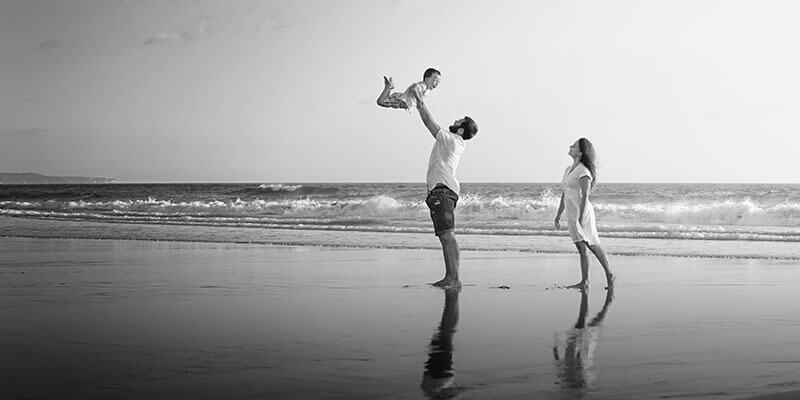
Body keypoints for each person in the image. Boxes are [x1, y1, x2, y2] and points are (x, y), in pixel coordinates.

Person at [414, 92, 478, 288]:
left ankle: (454, 278)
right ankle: (450, 276)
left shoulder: (451, 140)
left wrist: (419, 101)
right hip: (441, 191)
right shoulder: (453, 141)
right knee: (445, 237)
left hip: (443, 192)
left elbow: (428, 121)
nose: (455, 120)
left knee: (448, 236)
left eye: (459, 120)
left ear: (460, 129)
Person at [554, 138, 614, 290]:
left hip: (583, 212)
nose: (570, 147)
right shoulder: (568, 169)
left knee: (592, 244)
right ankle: (585, 281)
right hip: (572, 213)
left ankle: (609, 275)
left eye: (573, 146)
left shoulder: (584, 171)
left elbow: (585, 195)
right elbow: (565, 193)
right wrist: (558, 214)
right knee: (581, 247)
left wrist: (581, 216)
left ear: (580, 152)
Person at [377, 68, 441, 110]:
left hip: (403, 97)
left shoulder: (426, 88)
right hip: (403, 101)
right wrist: (420, 100)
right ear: (426, 79)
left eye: (438, 82)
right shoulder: (423, 86)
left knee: (386, 99)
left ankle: (389, 88)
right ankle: (388, 87)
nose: (436, 84)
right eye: (435, 80)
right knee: (381, 102)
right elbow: (414, 87)